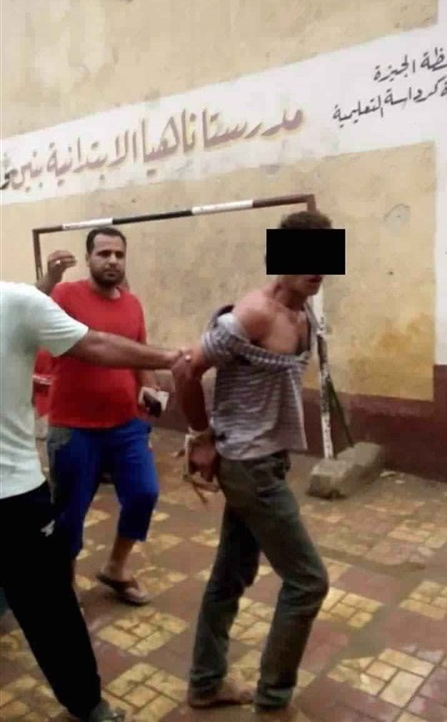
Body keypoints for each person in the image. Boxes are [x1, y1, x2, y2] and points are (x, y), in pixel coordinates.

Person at [0, 280, 186, 721]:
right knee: (47, 605)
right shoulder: (33, 299)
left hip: (14, 491)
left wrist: (164, 363)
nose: (113, 261)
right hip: (43, 464)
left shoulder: (16, 302)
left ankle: (86, 702)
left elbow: (100, 345)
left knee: (49, 607)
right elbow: (97, 345)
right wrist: (171, 357)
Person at [172, 210, 332, 712]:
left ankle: (205, 683)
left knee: (231, 576)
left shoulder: (304, 317)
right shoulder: (254, 313)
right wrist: (201, 437)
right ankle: (274, 698)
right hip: (249, 467)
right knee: (308, 581)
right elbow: (186, 368)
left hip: (267, 461)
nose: (317, 268)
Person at [41, 229, 166, 605]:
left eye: (119, 254)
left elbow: (139, 353)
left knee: (144, 493)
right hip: (74, 427)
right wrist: (50, 278)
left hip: (127, 425)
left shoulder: (132, 304)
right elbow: (32, 309)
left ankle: (116, 567)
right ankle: (64, 583)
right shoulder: (66, 294)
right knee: (70, 512)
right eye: (104, 253)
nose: (112, 260)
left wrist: (152, 392)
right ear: (89, 258)